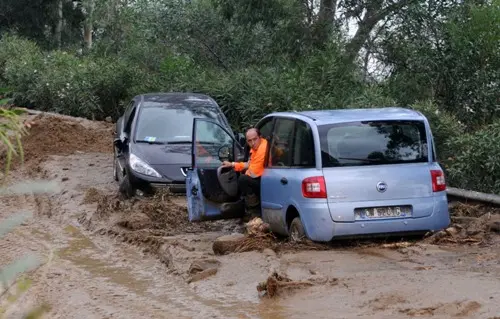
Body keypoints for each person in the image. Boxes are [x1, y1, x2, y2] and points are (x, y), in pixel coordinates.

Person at [221, 128, 267, 216]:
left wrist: (245, 172)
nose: (253, 143)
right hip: (263, 178)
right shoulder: (255, 149)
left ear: (260, 137)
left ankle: (255, 210)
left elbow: (253, 172)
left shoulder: (263, 149)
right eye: (250, 141)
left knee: (243, 179)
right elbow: (249, 164)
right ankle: (247, 205)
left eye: (255, 139)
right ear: (247, 141)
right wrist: (232, 164)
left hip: (265, 181)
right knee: (244, 178)